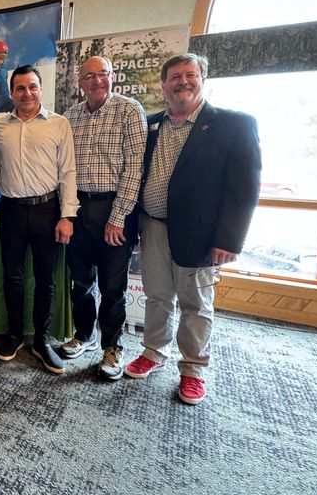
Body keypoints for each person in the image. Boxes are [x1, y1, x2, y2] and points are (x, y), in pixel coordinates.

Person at [125, 53, 261, 405]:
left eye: (190, 74)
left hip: (200, 234)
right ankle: (154, 352)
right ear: (163, 85)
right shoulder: (151, 125)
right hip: (153, 227)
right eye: (175, 76)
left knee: (195, 304)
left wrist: (229, 240)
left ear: (202, 79)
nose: (182, 81)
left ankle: (193, 369)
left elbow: (245, 190)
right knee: (157, 296)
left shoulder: (234, 124)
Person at [62, 56, 147, 380]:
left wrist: (119, 216)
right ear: (80, 82)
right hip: (78, 208)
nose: (96, 80)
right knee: (81, 282)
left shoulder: (129, 110)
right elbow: (64, 169)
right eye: (89, 76)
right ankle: (84, 336)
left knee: (113, 287)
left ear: (112, 76)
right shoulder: (70, 116)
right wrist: (67, 212)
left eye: (102, 74)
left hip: (114, 208)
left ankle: (113, 348)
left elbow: (135, 168)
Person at [0, 64, 79, 374]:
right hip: (11, 210)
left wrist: (67, 215)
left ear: (41, 89)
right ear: (12, 93)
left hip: (47, 210)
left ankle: (41, 340)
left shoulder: (59, 124)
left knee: (45, 279)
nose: (26, 93)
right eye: (20, 88)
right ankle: (15, 335)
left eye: (32, 87)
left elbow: (68, 171)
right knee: (13, 277)